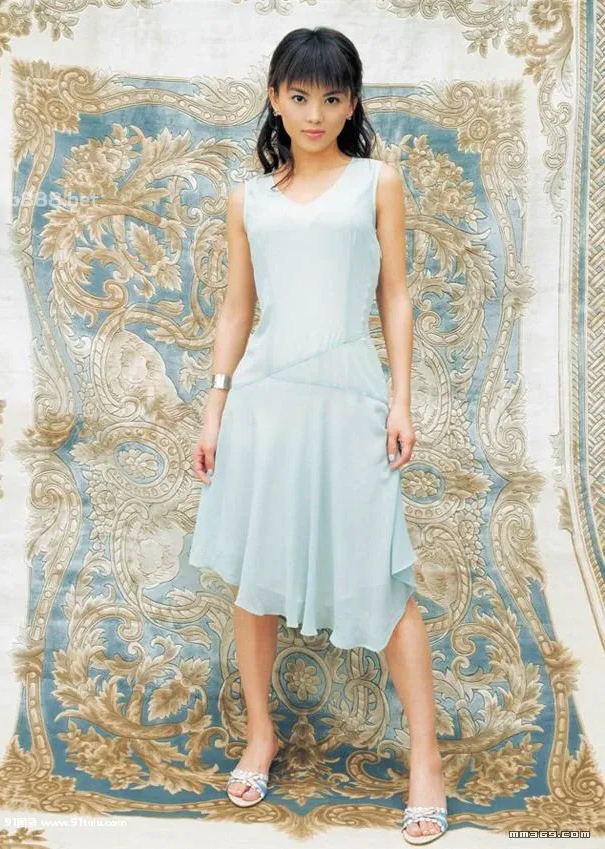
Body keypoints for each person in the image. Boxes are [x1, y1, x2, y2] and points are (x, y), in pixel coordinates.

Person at [188, 26, 448, 845]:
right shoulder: (249, 198)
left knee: (383, 575)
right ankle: (261, 735)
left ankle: (426, 759)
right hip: (265, 402)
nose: (314, 113)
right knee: (254, 575)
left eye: (332, 98)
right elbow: (237, 308)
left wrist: (400, 400)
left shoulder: (378, 182)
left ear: (352, 103)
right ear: (274, 97)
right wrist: (215, 407)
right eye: (299, 96)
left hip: (351, 395)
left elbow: (395, 295)